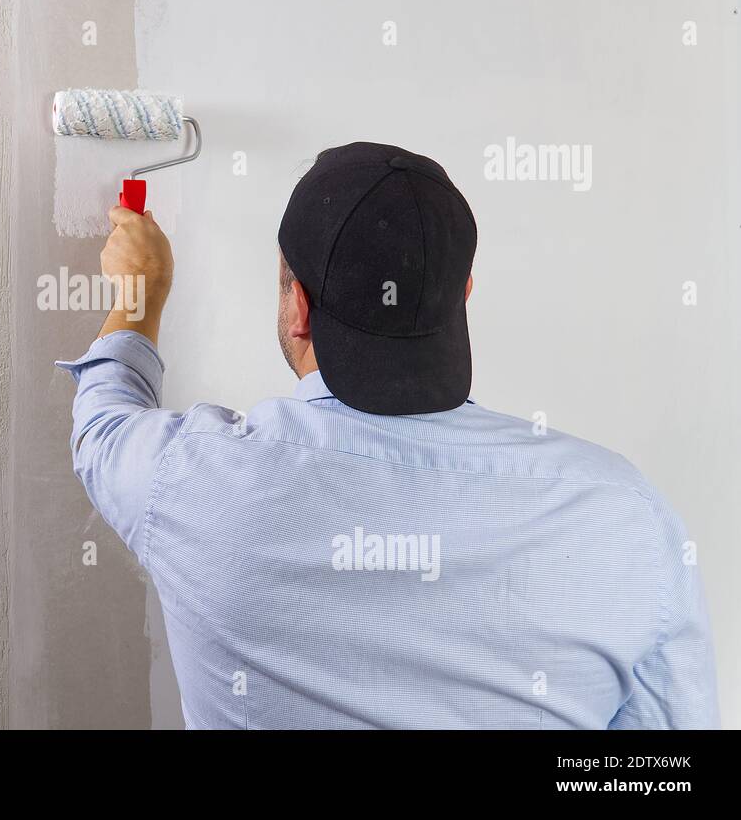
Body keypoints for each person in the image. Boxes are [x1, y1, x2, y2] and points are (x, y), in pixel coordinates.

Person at [57, 141, 718, 729]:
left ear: (299, 306)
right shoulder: (626, 517)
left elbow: (104, 426)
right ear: (464, 292)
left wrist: (139, 294)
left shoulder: (196, 483)